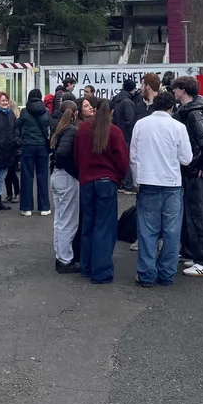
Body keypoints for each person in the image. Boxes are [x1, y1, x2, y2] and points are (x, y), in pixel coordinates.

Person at [130, 91, 192, 287]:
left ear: (153, 105)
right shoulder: (178, 127)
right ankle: (166, 274)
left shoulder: (141, 124)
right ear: (172, 106)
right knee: (172, 232)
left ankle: (146, 275)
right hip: (172, 184)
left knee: (147, 232)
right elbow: (186, 158)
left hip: (147, 182)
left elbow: (133, 156)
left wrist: (136, 180)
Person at [73, 98, 129, 284]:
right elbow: (122, 159)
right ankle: (101, 271)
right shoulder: (114, 131)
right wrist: (119, 178)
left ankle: (86, 266)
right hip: (106, 182)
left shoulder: (82, 130)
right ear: (111, 113)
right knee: (104, 228)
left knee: (88, 225)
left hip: (87, 182)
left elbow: (77, 155)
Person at [173, 76, 203, 277]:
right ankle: (197, 255)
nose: (173, 92)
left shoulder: (194, 114)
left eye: (175, 89)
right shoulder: (194, 111)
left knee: (201, 213)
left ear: (183, 90)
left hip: (196, 172)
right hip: (195, 170)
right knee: (199, 212)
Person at [50, 101, 81, 274]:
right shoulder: (71, 130)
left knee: (60, 219)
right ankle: (65, 259)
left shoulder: (60, 128)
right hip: (66, 177)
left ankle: (61, 255)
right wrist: (73, 169)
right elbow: (62, 154)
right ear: (75, 113)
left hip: (57, 176)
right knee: (68, 220)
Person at [16, 89, 52, 216]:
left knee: (27, 176)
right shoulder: (46, 111)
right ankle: (44, 207)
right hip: (42, 146)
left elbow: (18, 126)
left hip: (28, 146)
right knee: (42, 175)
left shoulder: (24, 111)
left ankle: (27, 208)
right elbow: (49, 125)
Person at [112, 78, 139, 194]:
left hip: (120, 132)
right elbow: (130, 119)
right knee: (128, 158)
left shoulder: (118, 99)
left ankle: (122, 183)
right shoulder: (127, 102)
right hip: (127, 135)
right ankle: (128, 184)